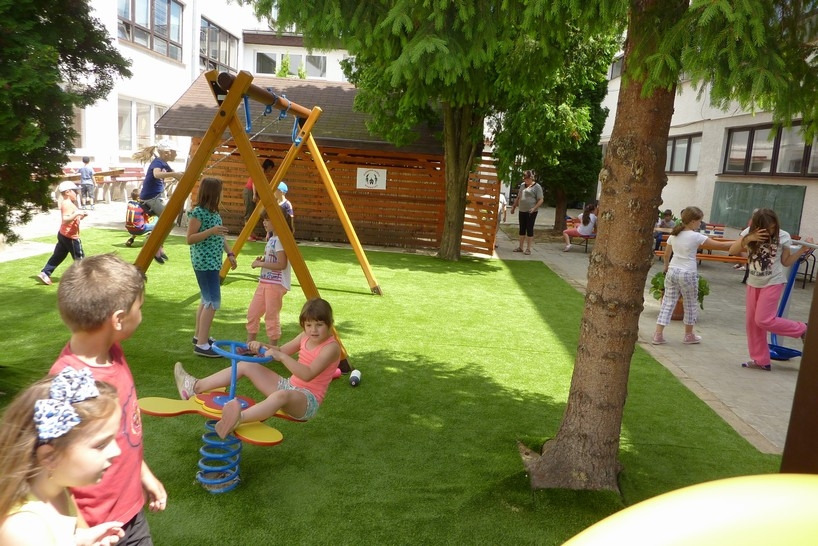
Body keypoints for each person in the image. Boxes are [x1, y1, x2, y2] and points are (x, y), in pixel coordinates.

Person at [49, 254, 167, 545]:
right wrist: (80, 533)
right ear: (118, 319)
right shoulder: (68, 384)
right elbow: (50, 472)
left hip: (130, 512)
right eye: (140, 307)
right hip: (94, 528)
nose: (142, 314)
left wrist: (144, 475)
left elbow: (123, 433)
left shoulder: (112, 351)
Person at [174, 298, 341, 439]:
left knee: (281, 395)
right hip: (290, 386)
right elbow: (281, 350)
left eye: (319, 325)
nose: (313, 330)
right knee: (248, 365)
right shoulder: (304, 336)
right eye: (309, 325)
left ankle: (236, 419)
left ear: (330, 324)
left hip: (307, 401)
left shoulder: (331, 348)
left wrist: (282, 357)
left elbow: (307, 374)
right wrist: (262, 346)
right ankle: (194, 386)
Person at [0, 368, 126, 546]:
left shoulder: (56, 490)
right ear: (50, 457)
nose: (116, 451)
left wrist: (78, 542)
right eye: (100, 445)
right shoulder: (24, 530)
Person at [728, 208, 813, 370]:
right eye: (767, 228)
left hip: (773, 282)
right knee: (752, 323)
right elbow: (732, 251)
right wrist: (749, 238)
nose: (770, 231)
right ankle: (761, 360)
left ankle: (803, 329)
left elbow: (786, 262)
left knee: (763, 320)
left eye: (773, 227)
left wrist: (802, 250)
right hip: (753, 282)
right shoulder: (749, 233)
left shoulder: (783, 236)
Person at [652, 206, 734, 345]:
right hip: (688, 273)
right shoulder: (696, 236)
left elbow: (666, 254)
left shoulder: (674, 234)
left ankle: (658, 334)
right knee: (690, 304)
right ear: (692, 221)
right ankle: (688, 335)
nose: (700, 224)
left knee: (667, 303)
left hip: (672, 271)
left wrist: (666, 267)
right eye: (699, 221)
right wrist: (741, 242)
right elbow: (720, 246)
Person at [187, 177, 237, 358]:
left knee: (205, 299)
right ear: (213, 193)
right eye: (221, 191)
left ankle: (199, 337)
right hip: (204, 263)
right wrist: (211, 231)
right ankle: (202, 345)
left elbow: (220, 236)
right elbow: (190, 238)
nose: (222, 195)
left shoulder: (214, 213)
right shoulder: (198, 213)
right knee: (213, 302)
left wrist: (230, 253)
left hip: (213, 263)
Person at [246, 208, 291, 346]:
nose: (264, 223)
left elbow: (282, 264)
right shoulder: (272, 239)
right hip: (265, 282)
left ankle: (273, 348)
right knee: (253, 313)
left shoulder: (280, 240)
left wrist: (261, 264)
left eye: (267, 220)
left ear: (277, 221)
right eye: (264, 220)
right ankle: (249, 345)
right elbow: (274, 260)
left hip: (275, 284)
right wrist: (263, 261)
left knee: (271, 316)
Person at [135, 140, 183, 264]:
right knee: (170, 220)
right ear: (167, 153)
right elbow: (156, 174)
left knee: (170, 220)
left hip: (155, 197)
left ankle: (158, 244)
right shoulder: (158, 162)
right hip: (151, 198)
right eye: (174, 152)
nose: (176, 154)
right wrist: (174, 174)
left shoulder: (163, 163)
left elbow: (177, 175)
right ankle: (153, 242)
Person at [37, 181, 88, 286]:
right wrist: (77, 213)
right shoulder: (67, 204)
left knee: (58, 256)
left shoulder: (69, 204)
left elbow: (72, 217)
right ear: (68, 192)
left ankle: (45, 273)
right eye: (75, 191)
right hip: (71, 237)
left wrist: (81, 215)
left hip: (63, 234)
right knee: (80, 258)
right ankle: (84, 279)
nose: (77, 193)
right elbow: (65, 219)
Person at [509, 170, 544, 255]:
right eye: (525, 178)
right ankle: (520, 247)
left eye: (528, 178)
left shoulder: (537, 187)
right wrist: (514, 207)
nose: (526, 180)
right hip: (522, 210)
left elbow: (541, 199)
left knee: (529, 229)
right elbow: (518, 197)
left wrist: (534, 208)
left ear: (532, 178)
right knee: (522, 229)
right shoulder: (522, 185)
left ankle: (528, 249)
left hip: (531, 211)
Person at [245, 158, 276, 241]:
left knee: (252, 213)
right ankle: (247, 235)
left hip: (252, 191)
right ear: (269, 167)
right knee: (249, 213)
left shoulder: (262, 172)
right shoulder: (260, 171)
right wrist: (254, 194)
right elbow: (254, 182)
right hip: (250, 191)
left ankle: (251, 233)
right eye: (271, 168)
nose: (270, 171)